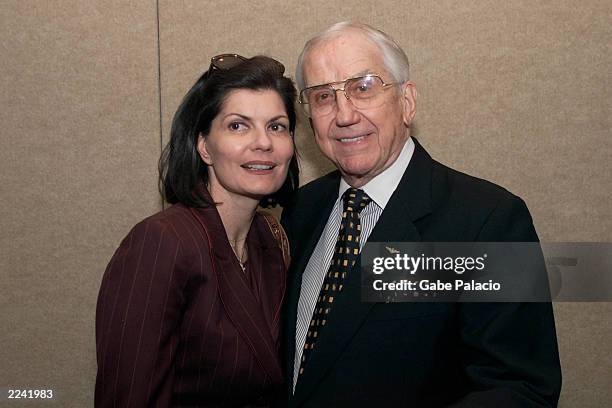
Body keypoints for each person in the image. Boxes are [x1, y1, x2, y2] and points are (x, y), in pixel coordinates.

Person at [281, 22, 562, 407]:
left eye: (363, 87)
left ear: (407, 101)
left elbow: (521, 389)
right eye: (323, 96)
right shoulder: (300, 211)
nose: (344, 114)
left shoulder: (489, 221)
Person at [95, 54, 298, 407]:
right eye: (238, 125)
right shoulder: (162, 242)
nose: (263, 142)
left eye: (276, 126)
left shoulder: (271, 240)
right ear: (204, 146)